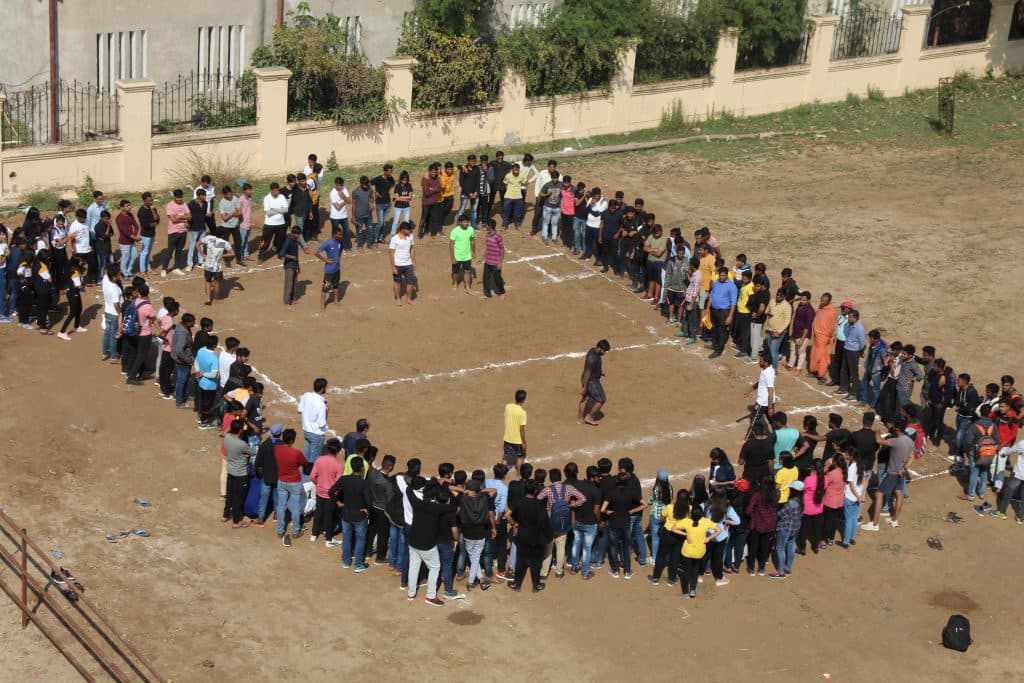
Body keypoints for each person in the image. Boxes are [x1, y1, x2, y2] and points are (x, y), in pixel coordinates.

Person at [406, 479, 456, 606]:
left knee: (414, 566)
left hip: (413, 541)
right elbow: (454, 506)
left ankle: (411, 593)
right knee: (435, 567)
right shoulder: (437, 508)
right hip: (427, 545)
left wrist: (413, 483)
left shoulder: (416, 503)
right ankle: (431, 596)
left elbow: (408, 490)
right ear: (434, 496)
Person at [862, 418, 913, 532]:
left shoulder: (896, 441)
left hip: (892, 473)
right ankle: (894, 519)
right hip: (901, 472)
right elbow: (912, 456)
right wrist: (904, 468)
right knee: (899, 493)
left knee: (879, 494)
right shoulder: (909, 441)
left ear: (897, 428)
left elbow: (879, 440)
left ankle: (874, 524)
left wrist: (877, 431)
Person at [508, 481, 552, 593]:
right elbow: (544, 522)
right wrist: (548, 536)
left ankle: (516, 584)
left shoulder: (519, 502)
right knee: (536, 562)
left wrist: (514, 523)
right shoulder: (540, 504)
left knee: (520, 561)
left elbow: (507, 514)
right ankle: (536, 585)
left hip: (522, 536)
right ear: (536, 491)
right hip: (536, 537)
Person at [331, 456, 373, 572]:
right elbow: (369, 502)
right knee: (360, 539)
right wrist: (367, 510)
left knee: (347, 538)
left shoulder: (344, 479)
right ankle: (358, 564)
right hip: (359, 516)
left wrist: (338, 502)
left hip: (346, 514)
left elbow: (331, 491)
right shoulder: (364, 483)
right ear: (361, 468)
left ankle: (345, 561)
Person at [675, 502, 719, 599]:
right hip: (699, 552)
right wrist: (709, 538)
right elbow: (718, 530)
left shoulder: (686, 521)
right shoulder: (705, 521)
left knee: (686, 571)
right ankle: (693, 590)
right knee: (695, 571)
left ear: (691, 514)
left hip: (687, 552)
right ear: (701, 514)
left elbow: (674, 528)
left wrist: (685, 535)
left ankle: (685, 591)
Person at [274, 428, 310, 547]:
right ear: (292, 440)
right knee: (295, 507)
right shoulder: (296, 453)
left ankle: (280, 530)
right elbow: (304, 463)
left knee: (280, 506)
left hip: (281, 480)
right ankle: (295, 531)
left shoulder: (277, 449)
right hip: (294, 482)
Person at [309, 439, 344, 547]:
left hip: (320, 490)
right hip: (331, 494)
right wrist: (336, 492)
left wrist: (318, 484)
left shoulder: (319, 460)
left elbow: (312, 476)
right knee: (329, 515)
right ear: (338, 451)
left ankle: (314, 534)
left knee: (318, 512)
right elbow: (339, 483)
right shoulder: (339, 465)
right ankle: (328, 539)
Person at [769, 480, 804, 578]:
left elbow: (779, 514)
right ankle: (788, 567)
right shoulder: (802, 500)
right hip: (795, 527)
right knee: (791, 545)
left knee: (780, 548)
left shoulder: (791, 503)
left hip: (786, 528)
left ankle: (780, 571)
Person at [578, 339, 610, 426]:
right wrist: (585, 387)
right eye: (604, 350)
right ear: (599, 348)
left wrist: (599, 372)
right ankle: (589, 417)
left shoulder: (593, 350)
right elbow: (588, 373)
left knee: (586, 399)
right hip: (591, 381)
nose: (604, 353)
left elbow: (592, 369)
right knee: (601, 399)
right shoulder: (593, 358)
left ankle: (580, 419)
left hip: (588, 378)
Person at [707, 267, 737, 359]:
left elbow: (733, 303)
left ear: (727, 275)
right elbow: (711, 296)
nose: (721, 277)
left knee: (722, 330)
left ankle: (719, 350)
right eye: (720, 275)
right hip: (714, 310)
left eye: (723, 275)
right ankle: (715, 345)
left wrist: (730, 316)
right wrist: (708, 308)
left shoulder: (732, 286)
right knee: (714, 328)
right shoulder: (716, 283)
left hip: (724, 311)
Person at [198, 228, 233, 306]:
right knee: (217, 282)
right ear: (223, 235)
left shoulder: (209, 238)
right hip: (217, 267)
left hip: (207, 265)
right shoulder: (224, 243)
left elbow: (197, 244)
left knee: (208, 281)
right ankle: (216, 298)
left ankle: (208, 298)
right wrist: (222, 255)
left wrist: (202, 254)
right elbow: (232, 253)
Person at [298, 378, 329, 463]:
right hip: (316, 435)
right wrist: (327, 411)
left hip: (306, 431)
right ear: (322, 389)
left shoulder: (305, 395)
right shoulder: (321, 405)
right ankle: (309, 475)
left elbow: (299, 410)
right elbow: (322, 424)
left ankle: (304, 472)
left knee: (306, 456)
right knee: (314, 461)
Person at [56, 256, 87, 341]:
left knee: (79, 308)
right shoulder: (75, 272)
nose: (81, 262)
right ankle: (62, 332)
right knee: (73, 312)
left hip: (73, 292)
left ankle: (76, 327)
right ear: (76, 262)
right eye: (80, 261)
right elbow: (78, 285)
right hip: (73, 293)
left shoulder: (70, 269)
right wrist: (82, 284)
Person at [809, 293, 837, 383]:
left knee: (822, 356)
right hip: (816, 336)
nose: (822, 302)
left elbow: (832, 326)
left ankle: (822, 376)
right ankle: (814, 370)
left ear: (829, 301)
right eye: (821, 299)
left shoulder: (831, 311)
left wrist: (828, 337)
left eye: (824, 301)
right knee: (814, 354)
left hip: (824, 337)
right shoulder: (820, 307)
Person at [389, 221, 417, 306]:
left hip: (408, 264)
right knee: (397, 282)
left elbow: (411, 249)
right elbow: (391, 253)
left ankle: (409, 299)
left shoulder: (410, 236)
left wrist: (414, 261)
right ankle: (398, 298)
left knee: (411, 281)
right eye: (408, 230)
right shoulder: (394, 239)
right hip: (398, 264)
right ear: (402, 229)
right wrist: (393, 267)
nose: (409, 232)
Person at [744, 353, 775, 429]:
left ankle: (750, 439)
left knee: (754, 421)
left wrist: (770, 407)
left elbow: (770, 390)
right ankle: (778, 435)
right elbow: (761, 382)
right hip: (767, 403)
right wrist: (750, 390)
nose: (759, 362)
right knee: (772, 420)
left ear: (766, 363)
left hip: (762, 403)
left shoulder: (768, 374)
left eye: (760, 361)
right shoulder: (767, 369)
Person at [316, 226, 343, 311]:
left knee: (336, 286)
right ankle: (322, 305)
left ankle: (335, 300)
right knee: (325, 288)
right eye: (339, 235)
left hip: (337, 269)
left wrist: (339, 257)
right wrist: (325, 259)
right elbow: (316, 252)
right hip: (329, 271)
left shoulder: (339, 242)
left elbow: (341, 249)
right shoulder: (328, 243)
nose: (341, 236)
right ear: (334, 234)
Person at [764, 288, 792, 370]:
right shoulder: (772, 301)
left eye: (780, 295)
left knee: (774, 351)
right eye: (777, 294)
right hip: (770, 329)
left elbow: (787, 321)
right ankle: (770, 366)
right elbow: (766, 310)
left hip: (778, 332)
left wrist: (779, 332)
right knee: (770, 349)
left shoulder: (787, 306)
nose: (778, 296)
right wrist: (768, 313)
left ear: (784, 296)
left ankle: (774, 369)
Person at [449, 215, 476, 293]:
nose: (466, 223)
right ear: (460, 222)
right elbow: (451, 244)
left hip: (467, 256)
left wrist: (473, 252)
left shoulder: (471, 229)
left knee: (467, 271)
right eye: (464, 222)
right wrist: (453, 257)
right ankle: (455, 283)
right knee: (455, 272)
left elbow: (472, 241)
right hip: (457, 256)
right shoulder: (454, 231)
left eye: (467, 221)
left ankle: (467, 286)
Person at [503, 389, 528, 471]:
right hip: (517, 441)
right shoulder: (522, 413)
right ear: (524, 400)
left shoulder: (508, 407)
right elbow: (521, 430)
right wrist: (524, 442)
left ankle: (501, 474)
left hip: (507, 438)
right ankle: (518, 476)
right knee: (520, 457)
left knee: (506, 457)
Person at [481, 219, 505, 299]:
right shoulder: (487, 235)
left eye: (486, 225)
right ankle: (487, 294)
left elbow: (502, 249)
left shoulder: (498, 237)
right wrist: (482, 257)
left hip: (495, 262)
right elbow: (487, 247)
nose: (485, 226)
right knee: (485, 278)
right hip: (488, 261)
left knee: (497, 279)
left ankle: (502, 292)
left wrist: (500, 262)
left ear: (490, 226)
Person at [137, 192, 160, 274]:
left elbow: (157, 220)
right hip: (145, 235)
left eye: (151, 200)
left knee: (148, 252)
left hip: (152, 233)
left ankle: (148, 268)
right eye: (149, 201)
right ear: (144, 201)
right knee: (144, 252)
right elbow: (145, 225)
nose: (151, 202)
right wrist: (153, 223)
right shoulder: (141, 211)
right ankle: (143, 270)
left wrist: (153, 210)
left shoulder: (153, 208)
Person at [280, 226, 302, 308]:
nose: (299, 236)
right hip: (289, 266)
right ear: (294, 233)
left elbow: (296, 254)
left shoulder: (295, 240)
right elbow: (281, 254)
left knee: (294, 283)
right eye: (298, 234)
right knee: (288, 285)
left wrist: (298, 267)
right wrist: (291, 257)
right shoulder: (288, 241)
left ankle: (294, 299)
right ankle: (286, 303)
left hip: (294, 265)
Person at [391, 171, 414, 236]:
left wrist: (399, 197)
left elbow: (410, 197)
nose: (404, 181)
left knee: (406, 221)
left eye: (406, 180)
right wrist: (405, 198)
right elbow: (397, 198)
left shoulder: (409, 185)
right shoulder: (397, 186)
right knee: (396, 221)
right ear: (400, 179)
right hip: (397, 207)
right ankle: (393, 234)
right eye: (403, 180)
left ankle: (405, 234)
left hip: (406, 207)